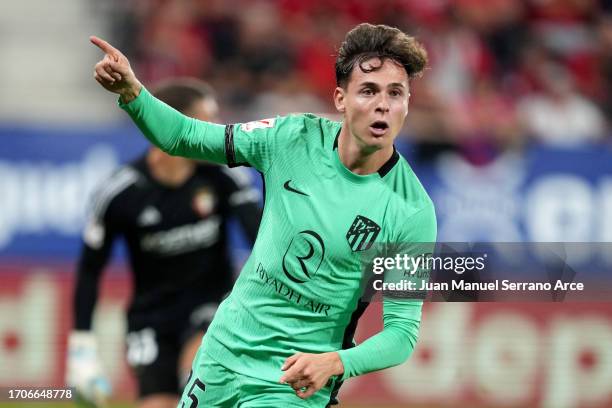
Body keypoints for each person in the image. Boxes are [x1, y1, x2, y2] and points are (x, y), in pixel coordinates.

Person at [90, 22, 437, 407]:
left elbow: (402, 334)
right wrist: (132, 93)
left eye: (396, 93)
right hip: (221, 356)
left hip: (293, 381)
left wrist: (337, 362)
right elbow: (185, 137)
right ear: (340, 99)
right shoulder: (291, 139)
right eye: (369, 91)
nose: (383, 105)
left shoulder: (411, 210)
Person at [66, 78, 262, 408]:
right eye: (207, 119)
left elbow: (261, 240)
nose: (217, 130)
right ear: (175, 123)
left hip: (214, 308)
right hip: (151, 318)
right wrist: (81, 347)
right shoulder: (120, 191)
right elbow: (90, 270)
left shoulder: (224, 176)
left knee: (198, 378)